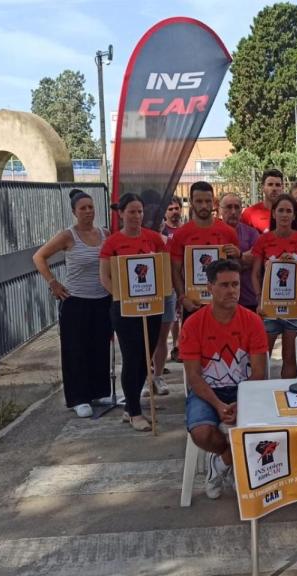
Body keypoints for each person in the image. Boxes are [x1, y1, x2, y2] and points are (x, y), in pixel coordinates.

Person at [182, 259, 268, 499]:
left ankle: (221, 465)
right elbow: (194, 377)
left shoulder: (252, 321)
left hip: (244, 391)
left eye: (236, 284)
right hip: (208, 392)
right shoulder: (193, 324)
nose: (232, 291)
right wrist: (219, 406)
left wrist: (242, 403)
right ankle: (231, 459)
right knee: (201, 433)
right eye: (225, 285)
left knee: (264, 432)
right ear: (210, 288)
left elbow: (259, 373)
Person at [33, 189, 111, 418]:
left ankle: (100, 390)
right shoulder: (68, 236)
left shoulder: (105, 233)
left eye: (91, 207)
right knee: (76, 350)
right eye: (83, 209)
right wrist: (53, 282)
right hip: (75, 301)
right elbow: (39, 257)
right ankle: (79, 398)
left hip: (101, 299)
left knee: (100, 347)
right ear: (74, 212)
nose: (88, 212)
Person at [99, 193, 167, 431]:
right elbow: (105, 276)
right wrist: (122, 297)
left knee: (146, 357)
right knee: (132, 358)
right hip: (125, 310)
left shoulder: (154, 239)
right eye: (132, 212)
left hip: (152, 307)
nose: (137, 216)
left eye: (140, 211)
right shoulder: (113, 243)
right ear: (121, 214)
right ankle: (135, 411)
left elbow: (162, 269)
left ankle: (131, 406)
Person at [250, 194, 297, 379]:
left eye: (289, 211)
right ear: (273, 213)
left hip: (295, 306)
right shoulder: (263, 240)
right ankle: (261, 399)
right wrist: (258, 299)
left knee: (290, 358)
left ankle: (288, 398)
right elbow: (255, 274)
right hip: (269, 306)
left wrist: (296, 266)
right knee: (262, 357)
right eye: (281, 210)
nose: (285, 215)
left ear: (294, 215)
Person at [169, 182, 241, 327]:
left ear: (213, 202)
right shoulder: (181, 234)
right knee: (193, 347)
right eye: (199, 201)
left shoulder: (228, 232)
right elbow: (175, 270)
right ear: (191, 202)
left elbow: (236, 269)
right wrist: (183, 298)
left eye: (207, 201)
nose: (204, 206)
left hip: (222, 302)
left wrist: (237, 255)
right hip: (193, 303)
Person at [154, 197, 184, 374]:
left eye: (176, 208)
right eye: (170, 208)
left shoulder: (177, 234)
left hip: (172, 289)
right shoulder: (158, 234)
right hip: (152, 293)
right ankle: (151, 370)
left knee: (173, 321)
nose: (174, 211)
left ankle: (177, 348)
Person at [219, 192, 260, 312]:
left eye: (237, 207)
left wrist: (239, 255)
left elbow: (256, 260)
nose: (233, 212)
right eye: (229, 207)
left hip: (248, 298)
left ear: (241, 210)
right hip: (220, 299)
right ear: (220, 210)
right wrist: (243, 260)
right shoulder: (214, 232)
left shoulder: (252, 233)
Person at [241, 169, 283, 233]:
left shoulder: (288, 214)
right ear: (262, 188)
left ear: (282, 188)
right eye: (270, 184)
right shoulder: (249, 214)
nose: (274, 189)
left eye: (277, 185)